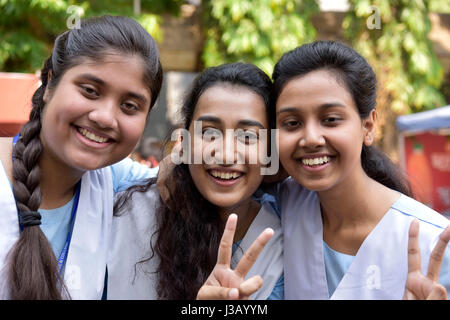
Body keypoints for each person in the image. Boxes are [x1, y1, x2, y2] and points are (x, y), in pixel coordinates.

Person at [271, 40, 450, 299]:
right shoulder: (281, 207)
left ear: (368, 126)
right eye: (292, 123)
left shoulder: (433, 244)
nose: (310, 138)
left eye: (330, 119)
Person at [0, 15, 163, 299]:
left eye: (129, 106)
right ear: (50, 85)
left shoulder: (116, 182)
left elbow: (180, 177)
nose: (105, 117)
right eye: (90, 91)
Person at [107, 62, 283, 300]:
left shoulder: (281, 243)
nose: (225, 154)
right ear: (184, 140)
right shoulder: (127, 208)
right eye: (209, 132)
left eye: (248, 136)